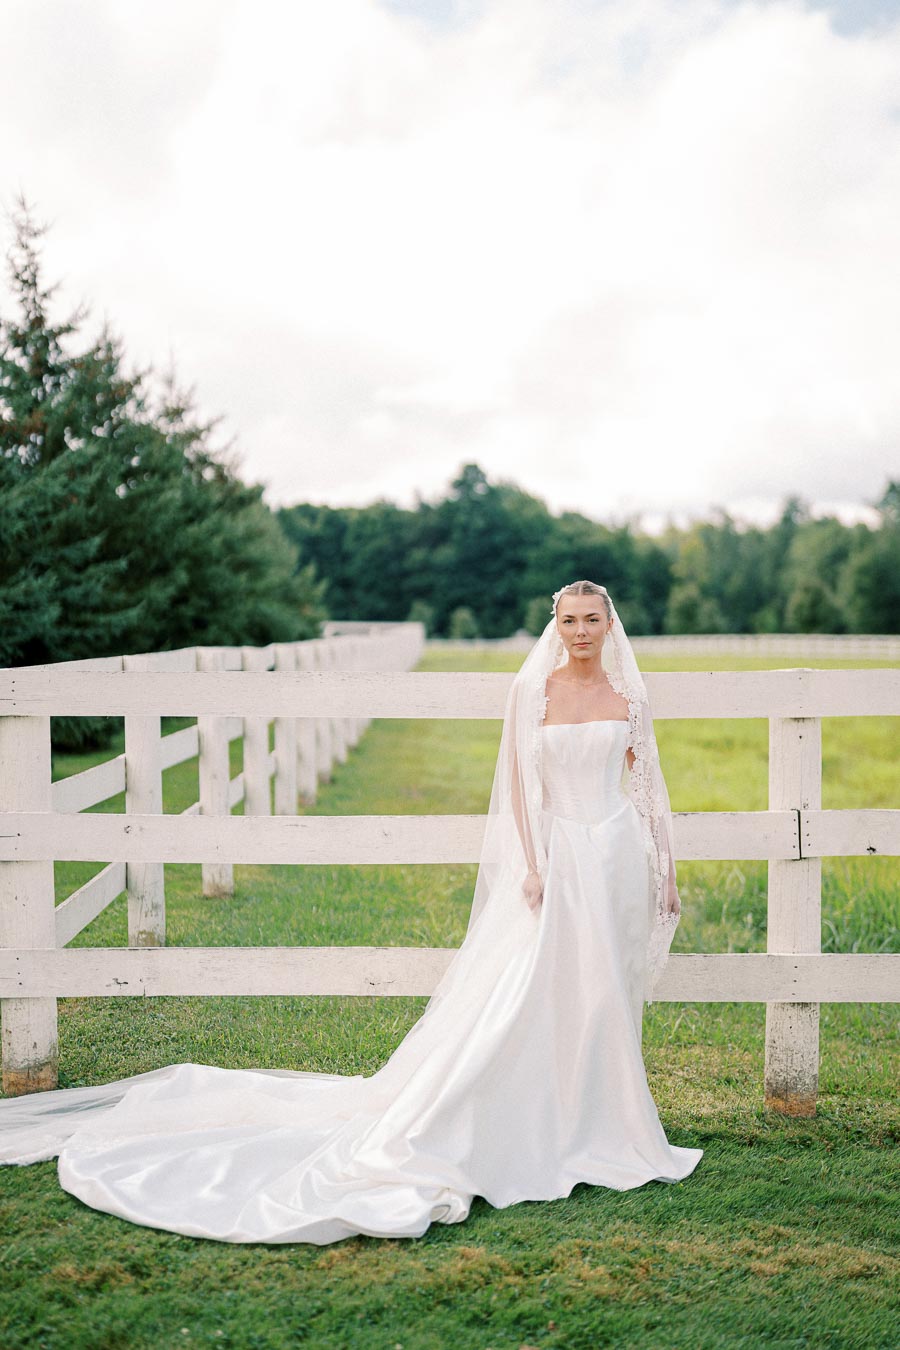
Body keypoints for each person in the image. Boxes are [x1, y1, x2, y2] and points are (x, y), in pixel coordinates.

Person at [0, 580, 702, 1244]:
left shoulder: (627, 697)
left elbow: (648, 788)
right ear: (557, 625)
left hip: (611, 852)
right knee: (531, 988)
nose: (580, 630)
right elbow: (521, 784)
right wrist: (534, 864)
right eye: (568, 619)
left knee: (604, 989)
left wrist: (663, 873)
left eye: (592, 619)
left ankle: (609, 1124)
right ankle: (529, 1121)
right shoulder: (534, 692)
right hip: (555, 859)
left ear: (610, 625)